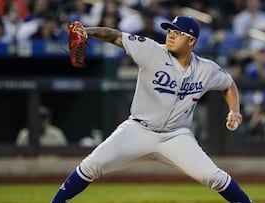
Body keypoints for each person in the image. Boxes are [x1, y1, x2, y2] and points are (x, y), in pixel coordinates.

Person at [51, 15, 253, 203]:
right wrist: (87, 31)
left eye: (178, 33)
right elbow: (116, 36)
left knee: (213, 176)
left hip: (176, 136)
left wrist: (234, 109)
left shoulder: (205, 69)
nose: (171, 36)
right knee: (91, 165)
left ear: (191, 40)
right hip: (138, 130)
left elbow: (228, 84)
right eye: (169, 31)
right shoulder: (151, 50)